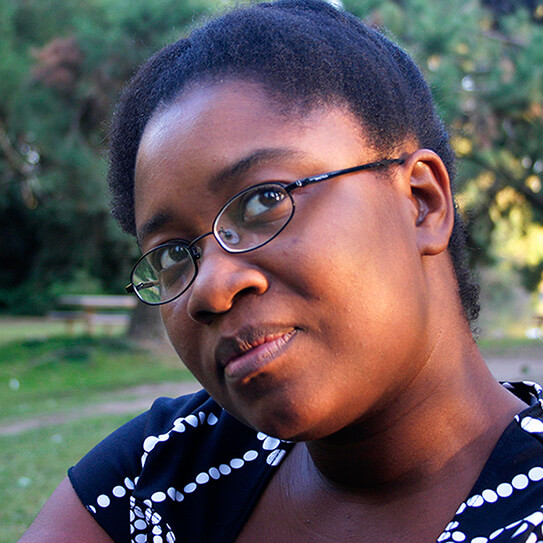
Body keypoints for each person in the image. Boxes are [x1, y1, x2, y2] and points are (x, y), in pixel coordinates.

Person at [18, 1, 543, 541]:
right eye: (173, 255)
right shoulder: (163, 474)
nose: (210, 290)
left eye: (264, 201)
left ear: (422, 203)